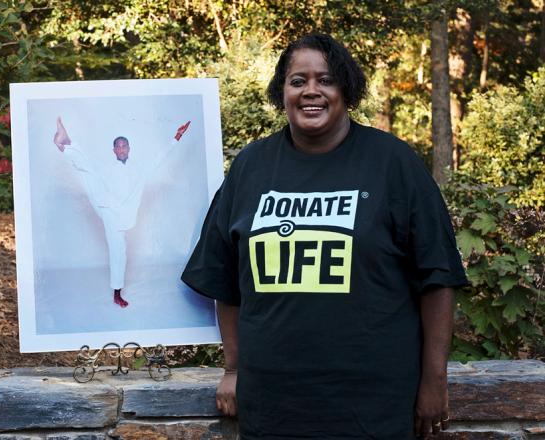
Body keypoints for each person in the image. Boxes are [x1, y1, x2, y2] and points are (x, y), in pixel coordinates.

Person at [181, 33, 468, 440]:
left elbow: (437, 278)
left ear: (346, 90)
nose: (311, 91)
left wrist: (434, 379)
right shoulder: (252, 166)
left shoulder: (393, 163)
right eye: (298, 81)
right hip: (273, 403)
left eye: (326, 80)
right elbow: (223, 279)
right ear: (282, 92)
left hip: (374, 402)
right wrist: (233, 369)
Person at [54, 117, 191, 308]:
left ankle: (67, 143)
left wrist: (176, 137)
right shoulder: (107, 168)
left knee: (121, 251)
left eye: (124, 146)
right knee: (118, 251)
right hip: (108, 209)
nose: (121, 149)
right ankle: (64, 144)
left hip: (125, 214)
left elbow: (160, 158)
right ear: (114, 150)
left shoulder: (139, 168)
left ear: (129, 148)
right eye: (117, 147)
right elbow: (88, 168)